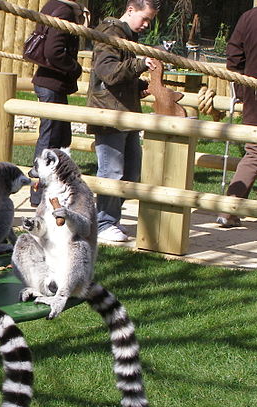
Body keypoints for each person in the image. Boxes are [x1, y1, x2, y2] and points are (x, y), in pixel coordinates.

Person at [85, 0, 160, 242]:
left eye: (150, 20)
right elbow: (108, 72)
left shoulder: (128, 36)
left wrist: (139, 86)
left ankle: (110, 218)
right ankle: (104, 222)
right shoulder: (110, 32)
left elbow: (117, 77)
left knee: (131, 174)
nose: (147, 25)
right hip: (109, 115)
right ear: (130, 10)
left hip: (126, 114)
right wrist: (139, 65)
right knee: (112, 171)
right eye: (144, 18)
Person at [216, 0, 257, 234]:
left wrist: (243, 91)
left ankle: (228, 212)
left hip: (256, 97)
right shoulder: (249, 16)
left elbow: (234, 56)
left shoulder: (250, 17)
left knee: (254, 153)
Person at [29, 0, 85, 206]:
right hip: (52, 83)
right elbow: (53, 51)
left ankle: (49, 193)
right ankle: (39, 195)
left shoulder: (52, 5)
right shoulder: (64, 11)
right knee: (51, 138)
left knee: (58, 136)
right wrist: (74, 68)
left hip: (51, 83)